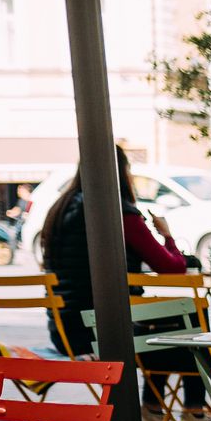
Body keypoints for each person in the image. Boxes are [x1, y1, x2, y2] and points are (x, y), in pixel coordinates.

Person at [38, 146, 190, 357]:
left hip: (63, 332)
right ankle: (181, 387)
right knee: (192, 322)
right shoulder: (117, 211)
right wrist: (167, 236)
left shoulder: (59, 209)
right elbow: (172, 268)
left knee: (177, 325)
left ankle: (151, 391)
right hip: (105, 332)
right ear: (121, 172)